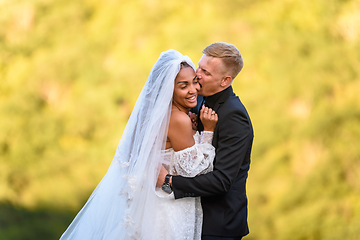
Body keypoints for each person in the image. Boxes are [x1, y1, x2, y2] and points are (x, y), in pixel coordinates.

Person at [59, 49, 218, 240]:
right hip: (169, 207)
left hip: (150, 205)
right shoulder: (178, 120)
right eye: (183, 86)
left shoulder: (154, 115)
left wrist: (191, 131)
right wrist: (207, 132)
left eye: (195, 82)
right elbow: (197, 170)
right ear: (169, 89)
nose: (193, 90)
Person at [157, 42, 254, 240]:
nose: (197, 74)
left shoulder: (234, 115)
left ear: (225, 80)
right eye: (199, 67)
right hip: (187, 217)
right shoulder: (197, 100)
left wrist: (170, 181)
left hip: (217, 225)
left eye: (206, 73)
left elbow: (222, 180)